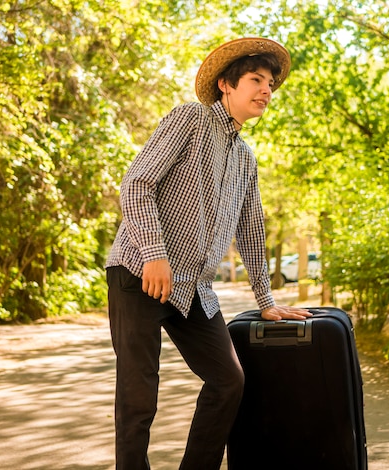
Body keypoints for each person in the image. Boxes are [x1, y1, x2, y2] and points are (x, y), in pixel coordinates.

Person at [105, 37, 312, 470]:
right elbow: (136, 185)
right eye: (256, 80)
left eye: (271, 83)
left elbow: (251, 228)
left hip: (194, 288)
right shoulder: (189, 120)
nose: (266, 91)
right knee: (138, 398)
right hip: (138, 273)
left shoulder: (245, 158)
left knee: (228, 380)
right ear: (225, 84)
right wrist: (155, 254)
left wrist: (266, 300)